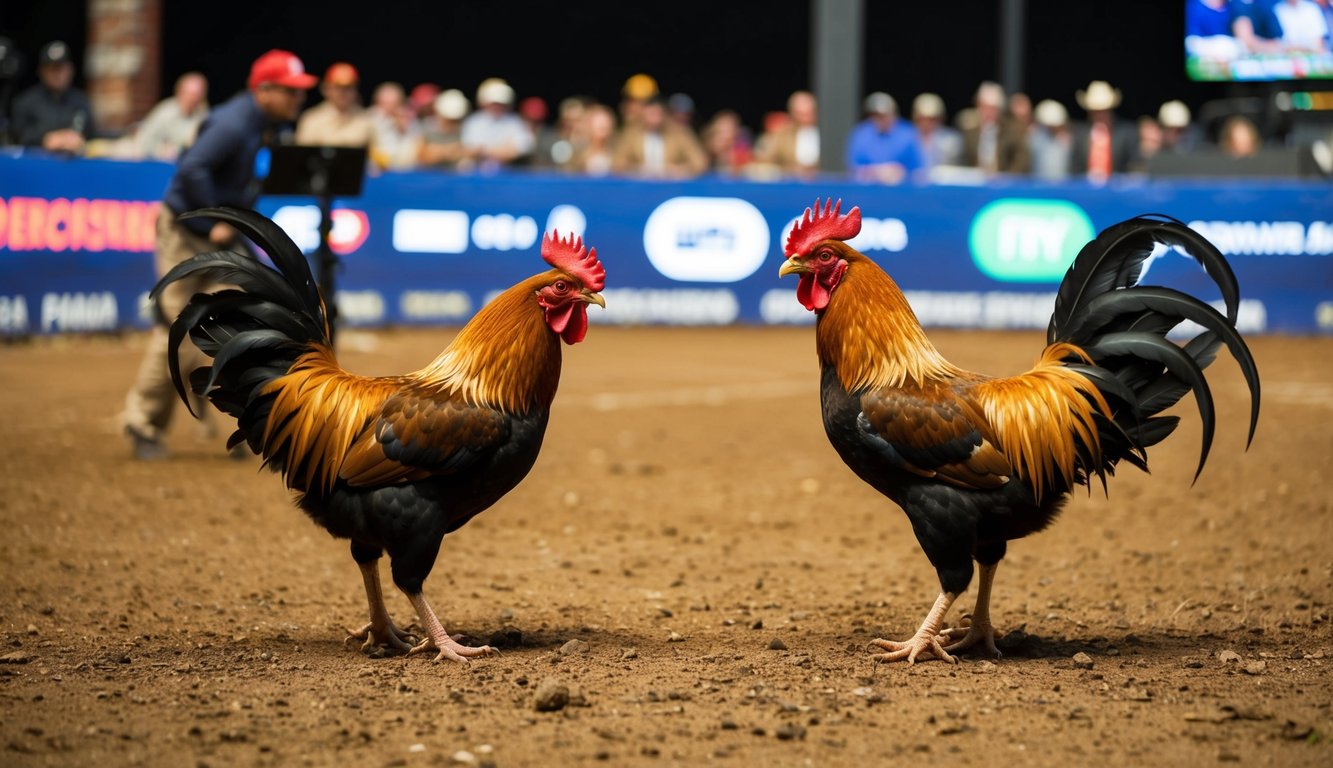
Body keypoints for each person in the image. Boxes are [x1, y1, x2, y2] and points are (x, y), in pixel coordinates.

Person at [121, 49, 316, 461]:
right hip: (187, 232)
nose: (298, 100)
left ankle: (240, 418)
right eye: (291, 91)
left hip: (214, 236)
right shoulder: (233, 122)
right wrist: (213, 220)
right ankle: (141, 421)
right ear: (264, 91)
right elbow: (192, 168)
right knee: (181, 329)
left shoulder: (263, 123)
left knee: (241, 320)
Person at [10, 40, 93, 154]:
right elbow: (15, 136)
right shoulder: (25, 101)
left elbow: (92, 134)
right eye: (52, 68)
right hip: (34, 167)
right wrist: (45, 139)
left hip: (72, 166)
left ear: (71, 70)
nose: (57, 74)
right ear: (41, 71)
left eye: (61, 68)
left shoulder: (80, 100)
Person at [610, 93, 709, 179]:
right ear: (643, 113)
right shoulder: (630, 134)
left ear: (664, 114)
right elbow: (617, 163)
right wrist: (639, 170)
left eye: (657, 113)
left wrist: (678, 170)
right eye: (650, 113)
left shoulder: (680, 133)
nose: (654, 117)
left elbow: (700, 163)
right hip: (639, 187)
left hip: (671, 187)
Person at [845, 91, 923, 185]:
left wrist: (899, 172)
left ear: (893, 113)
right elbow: (853, 168)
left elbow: (918, 171)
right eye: (874, 115)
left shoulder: (908, 134)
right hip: (868, 192)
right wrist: (877, 172)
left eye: (882, 115)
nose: (878, 119)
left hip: (901, 191)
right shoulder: (861, 133)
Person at [459, 77, 533, 171]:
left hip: (509, 173)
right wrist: (503, 149)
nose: (497, 106)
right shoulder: (473, 122)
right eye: (494, 103)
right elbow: (469, 150)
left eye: (501, 103)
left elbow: (521, 149)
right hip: (477, 173)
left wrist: (484, 150)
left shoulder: (515, 122)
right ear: (485, 102)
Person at [294, 62, 374, 148]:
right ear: (326, 89)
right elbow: (301, 155)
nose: (343, 93)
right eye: (338, 87)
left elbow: (379, 155)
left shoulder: (366, 120)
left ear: (356, 90)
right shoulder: (312, 119)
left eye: (349, 87)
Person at [1070, 80, 1136, 182]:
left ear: (1110, 109)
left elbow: (1133, 167)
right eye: (1095, 110)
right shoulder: (1080, 134)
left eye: (1103, 110)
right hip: (1086, 191)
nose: (1099, 114)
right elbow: (1075, 167)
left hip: (1117, 192)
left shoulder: (1126, 133)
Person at [133, 71, 209, 161]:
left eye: (198, 95)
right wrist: (161, 150)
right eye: (191, 94)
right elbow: (144, 142)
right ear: (180, 92)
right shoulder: (165, 112)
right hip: (163, 165)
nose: (194, 99)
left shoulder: (203, 114)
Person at [960, 81, 1029, 176]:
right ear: (978, 105)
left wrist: (1005, 179)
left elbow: (1021, 160)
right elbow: (964, 161)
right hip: (976, 185)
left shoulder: (1012, 131)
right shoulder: (970, 131)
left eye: (993, 108)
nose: (988, 112)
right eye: (985, 107)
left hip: (1004, 185)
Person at [752, 89, 820, 180]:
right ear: (793, 114)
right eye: (801, 114)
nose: (806, 118)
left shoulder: (826, 134)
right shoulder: (781, 135)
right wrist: (790, 170)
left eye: (809, 113)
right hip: (791, 186)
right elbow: (764, 162)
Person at [911, 92, 963, 175]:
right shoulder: (907, 138)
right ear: (915, 118)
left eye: (932, 119)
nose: (926, 123)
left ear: (940, 118)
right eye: (922, 118)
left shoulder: (951, 141)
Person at [417, 88, 468, 170]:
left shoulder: (464, 128)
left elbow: (468, 152)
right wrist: (446, 152)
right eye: (449, 118)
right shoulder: (425, 127)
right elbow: (421, 156)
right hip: (428, 177)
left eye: (455, 119)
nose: (452, 121)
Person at [564, 101, 617, 176]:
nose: (603, 125)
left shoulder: (619, 154)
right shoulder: (577, 155)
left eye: (605, 124)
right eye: (599, 124)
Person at [1028, 99, 1072, 182]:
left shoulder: (1068, 141)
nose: (1052, 128)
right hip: (1037, 186)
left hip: (1062, 188)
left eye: (1055, 126)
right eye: (1048, 126)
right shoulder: (1034, 139)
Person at [700, 109, 753, 176]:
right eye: (720, 131)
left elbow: (744, 167)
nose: (724, 136)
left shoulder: (741, 146)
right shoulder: (707, 148)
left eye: (728, 130)